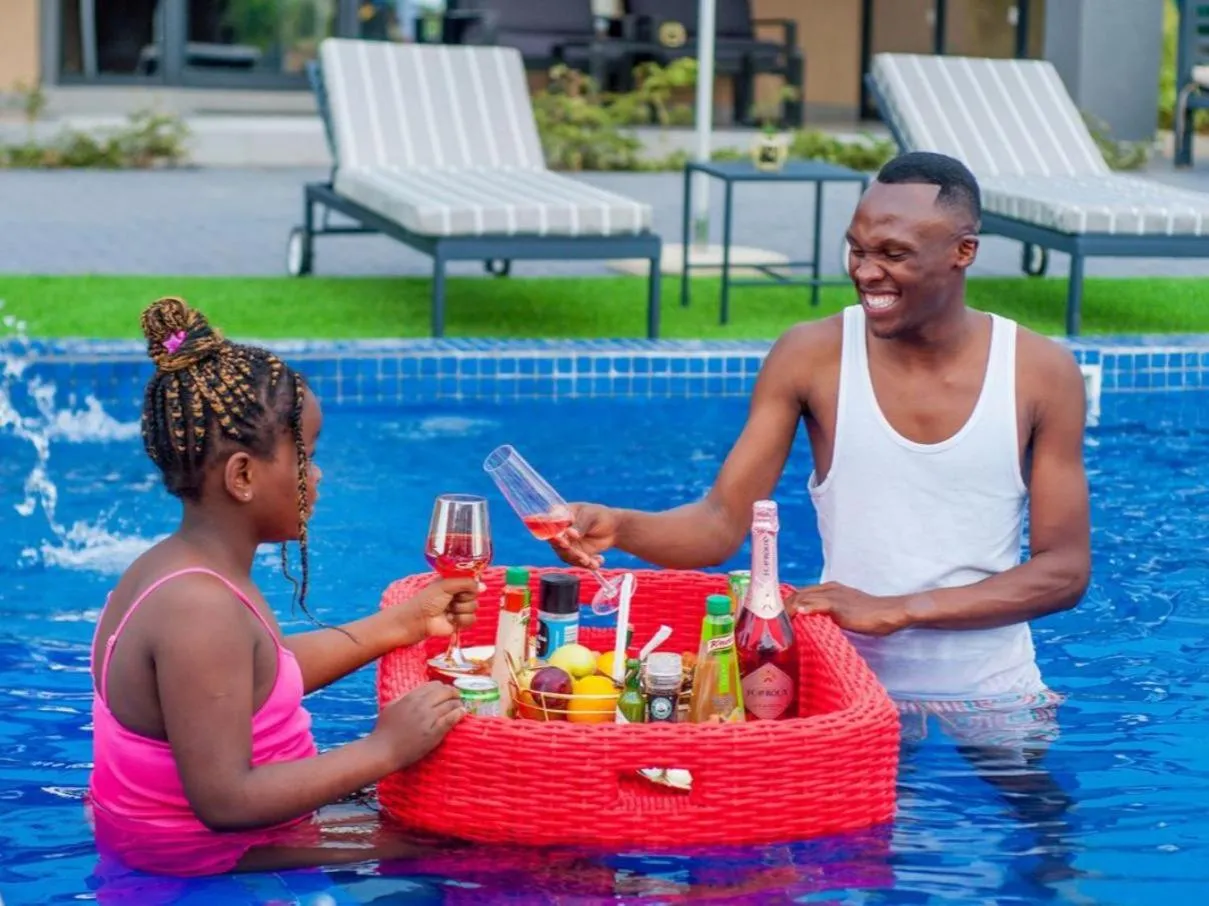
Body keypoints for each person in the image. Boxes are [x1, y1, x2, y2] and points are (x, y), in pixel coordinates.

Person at [551, 149, 1091, 733]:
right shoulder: (812, 355)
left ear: (964, 252)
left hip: (997, 694)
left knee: (1046, 825)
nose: (865, 271)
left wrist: (898, 610)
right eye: (857, 249)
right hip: (850, 697)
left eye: (893, 254)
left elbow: (1064, 570)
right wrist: (621, 526)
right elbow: (718, 524)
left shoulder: (1039, 372)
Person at [88, 296, 477, 877]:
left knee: (444, 812)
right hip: (201, 860)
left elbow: (258, 675)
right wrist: (383, 750)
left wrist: (407, 623)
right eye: (306, 458)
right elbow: (226, 800)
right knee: (478, 849)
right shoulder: (199, 608)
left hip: (192, 841)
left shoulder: (181, 566)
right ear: (243, 475)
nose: (316, 476)